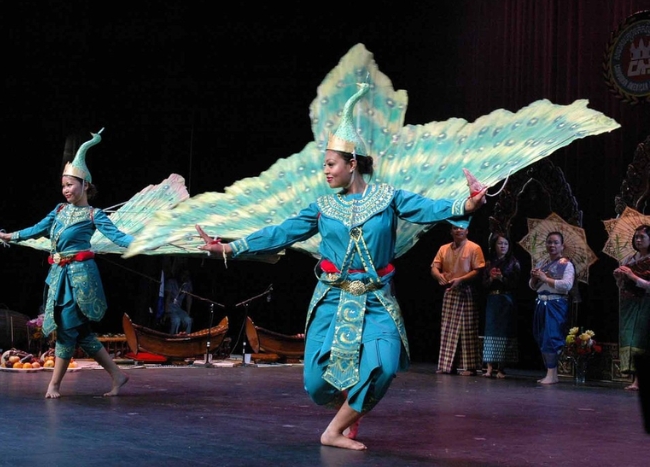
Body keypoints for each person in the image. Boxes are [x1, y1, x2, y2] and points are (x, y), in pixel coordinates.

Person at [195, 83, 487, 451]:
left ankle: (333, 431)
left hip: (377, 298)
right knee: (317, 385)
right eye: (324, 165)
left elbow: (428, 209)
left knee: (383, 365)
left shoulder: (388, 198)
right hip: (332, 297)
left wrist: (468, 205)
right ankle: (351, 407)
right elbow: (281, 233)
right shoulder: (322, 206)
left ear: (352, 164)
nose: (326, 171)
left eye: (331, 164)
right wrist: (227, 248)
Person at [0, 130, 132, 399]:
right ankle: (117, 374)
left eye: (70, 184)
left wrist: (147, 242)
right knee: (80, 331)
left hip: (80, 279)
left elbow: (119, 237)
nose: (66, 190)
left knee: (68, 328)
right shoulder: (58, 210)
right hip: (59, 277)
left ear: (85, 185)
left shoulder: (94, 214)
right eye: (63, 185)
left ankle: (54, 385)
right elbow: (37, 228)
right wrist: (11, 235)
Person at [431, 220, 486, 376]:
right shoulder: (444, 248)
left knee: (467, 328)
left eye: (461, 228)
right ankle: (447, 365)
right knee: (448, 329)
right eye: (455, 228)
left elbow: (478, 270)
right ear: (451, 231)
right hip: (450, 290)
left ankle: (470, 367)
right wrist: (438, 275)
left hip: (466, 289)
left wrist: (461, 279)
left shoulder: (474, 248)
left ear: (467, 231)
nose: (458, 230)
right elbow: (434, 267)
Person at [529, 231, 575, 385]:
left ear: (562, 246)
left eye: (556, 242)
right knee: (540, 336)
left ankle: (552, 373)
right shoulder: (542, 263)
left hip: (556, 304)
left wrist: (545, 278)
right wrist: (534, 278)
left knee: (551, 337)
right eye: (549, 242)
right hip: (541, 302)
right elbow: (533, 287)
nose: (552, 245)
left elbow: (567, 285)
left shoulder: (566, 264)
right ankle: (550, 372)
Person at [612, 224, 650, 391]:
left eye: (642, 237)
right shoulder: (629, 260)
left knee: (641, 339)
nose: (638, 240)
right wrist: (619, 277)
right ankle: (635, 379)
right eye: (636, 237)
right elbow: (621, 286)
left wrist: (632, 276)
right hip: (629, 304)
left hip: (645, 304)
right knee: (630, 339)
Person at [481, 233, 521, 378]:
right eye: (500, 243)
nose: (503, 246)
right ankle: (489, 367)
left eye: (505, 244)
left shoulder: (513, 262)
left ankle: (501, 368)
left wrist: (502, 278)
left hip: (506, 299)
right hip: (492, 299)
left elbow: (516, 285)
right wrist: (491, 279)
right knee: (490, 332)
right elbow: (483, 284)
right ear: (495, 245)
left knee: (504, 332)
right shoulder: (489, 263)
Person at [165, 269, 194, 334]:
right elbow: (167, 297)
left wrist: (188, 313)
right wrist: (166, 312)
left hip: (178, 308)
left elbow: (189, 298)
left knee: (188, 320)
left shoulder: (187, 284)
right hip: (170, 308)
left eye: (187, 275)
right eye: (184, 274)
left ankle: (186, 339)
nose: (185, 277)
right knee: (176, 320)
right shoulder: (171, 282)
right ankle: (173, 338)